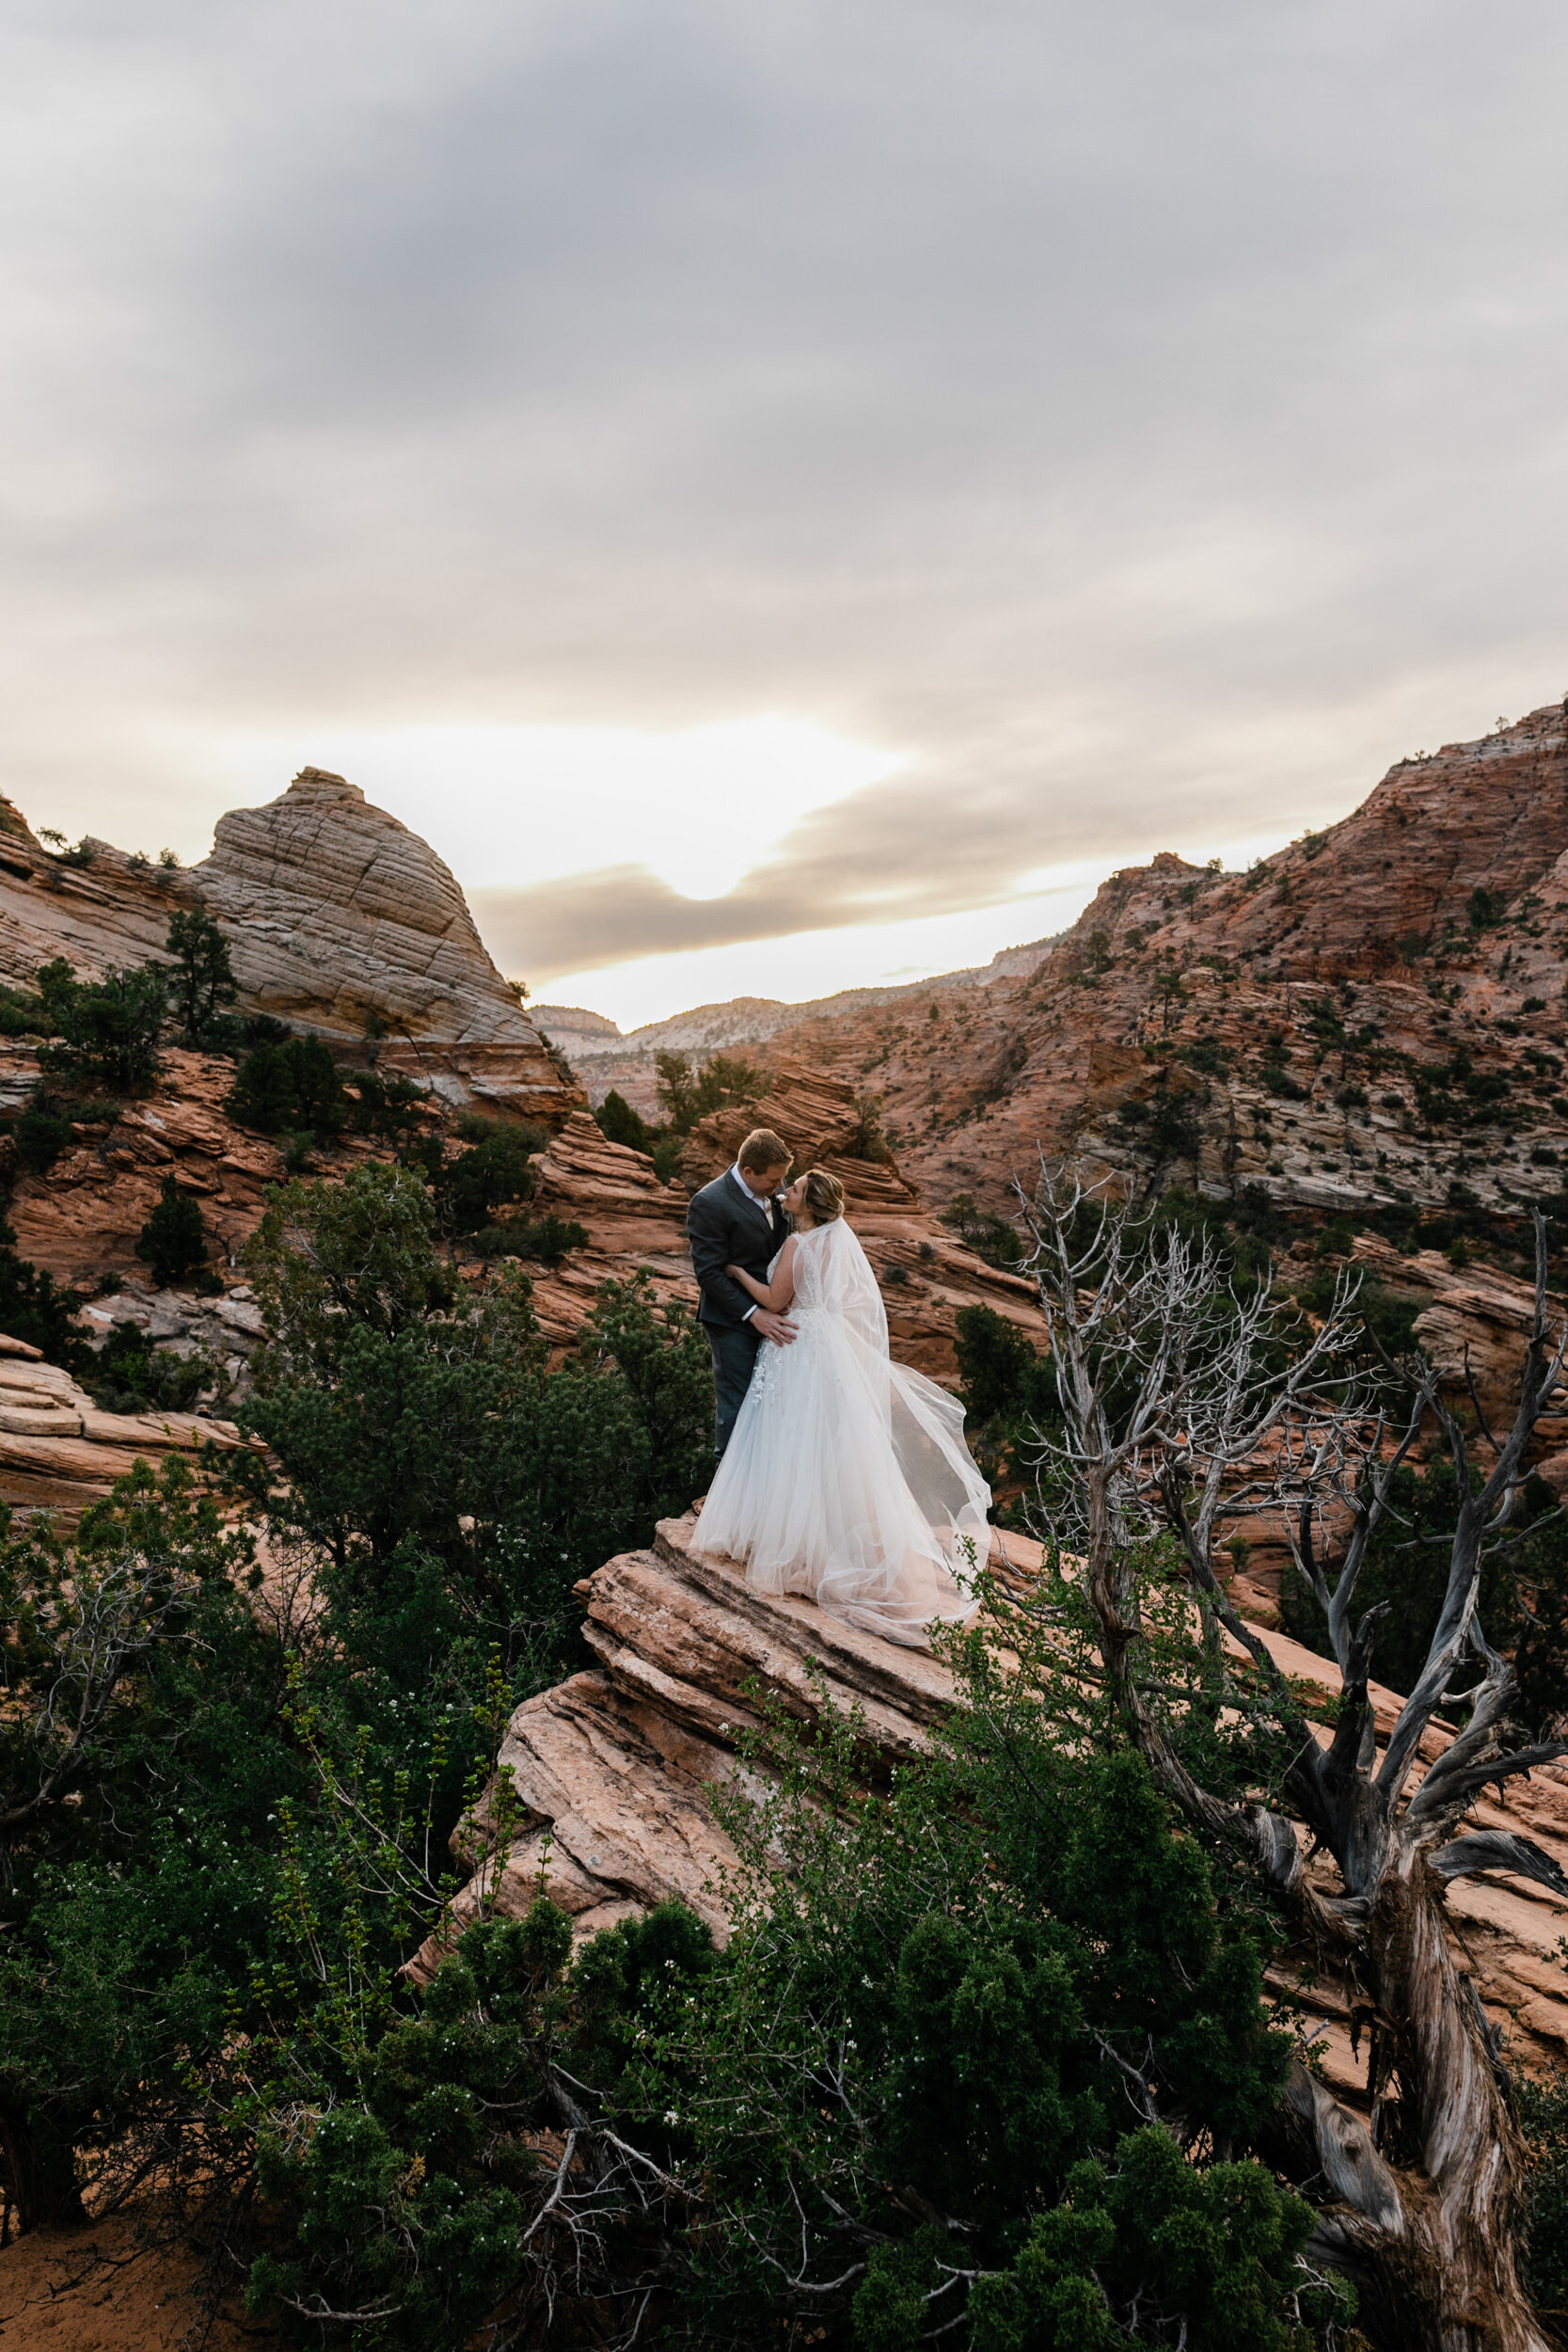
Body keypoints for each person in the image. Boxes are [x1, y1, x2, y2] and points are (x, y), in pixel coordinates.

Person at [692, 1166, 990, 1648]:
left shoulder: (799, 1244)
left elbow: (775, 1298)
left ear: (809, 1204)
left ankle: (787, 1543)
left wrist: (738, 1272)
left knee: (787, 1437)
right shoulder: (833, 1238)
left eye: (798, 1190)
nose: (787, 1191)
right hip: (827, 1346)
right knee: (827, 1442)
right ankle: (826, 1537)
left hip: (796, 1346)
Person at [686, 1127, 797, 1460]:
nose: (780, 1187)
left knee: (772, 1401)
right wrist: (754, 1314)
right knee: (738, 1403)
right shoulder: (709, 1202)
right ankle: (728, 1494)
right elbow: (708, 1273)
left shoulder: (775, 1191)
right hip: (731, 1320)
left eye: (783, 1180)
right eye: (773, 1180)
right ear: (748, 1171)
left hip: (774, 1314)